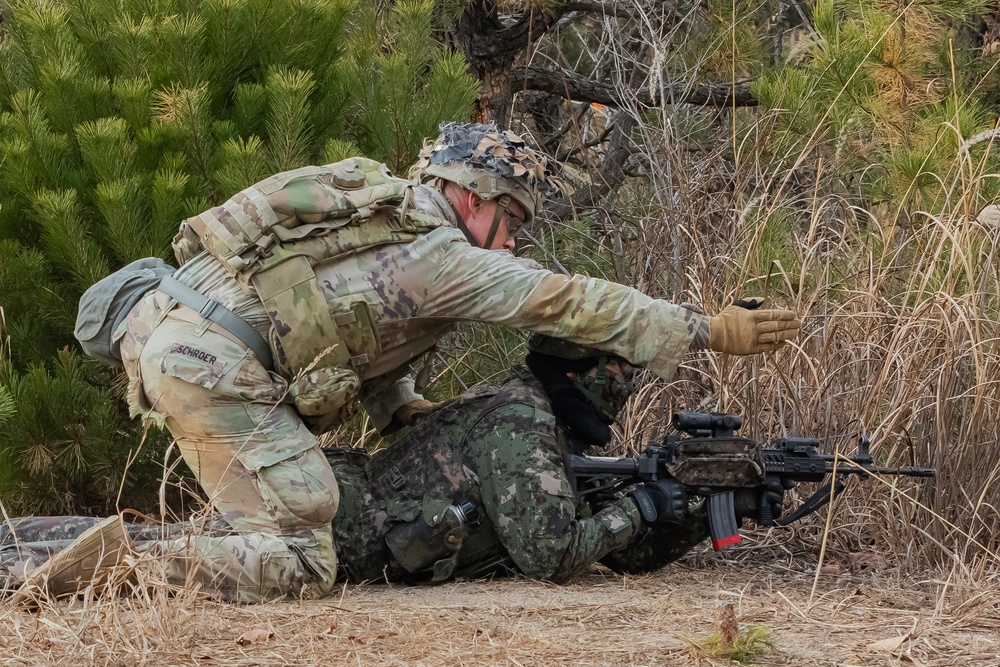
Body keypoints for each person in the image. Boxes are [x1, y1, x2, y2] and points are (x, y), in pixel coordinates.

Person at [54, 122, 799, 602]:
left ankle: (71, 545)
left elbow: (347, 330)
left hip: (175, 339)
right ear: (475, 196)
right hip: (216, 369)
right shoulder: (442, 255)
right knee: (306, 557)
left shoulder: (384, 215)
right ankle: (117, 567)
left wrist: (399, 405)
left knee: (276, 522)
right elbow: (566, 301)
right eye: (512, 221)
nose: (511, 242)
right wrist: (705, 329)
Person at [0, 336, 714, 592]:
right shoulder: (520, 422)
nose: (622, 385)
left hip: (337, 511)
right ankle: (16, 556)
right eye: (616, 369)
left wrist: (685, 512)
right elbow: (553, 553)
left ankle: (18, 542)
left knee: (168, 541)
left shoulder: (537, 417)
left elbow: (611, 553)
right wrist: (640, 507)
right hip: (334, 526)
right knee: (159, 553)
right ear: (581, 368)